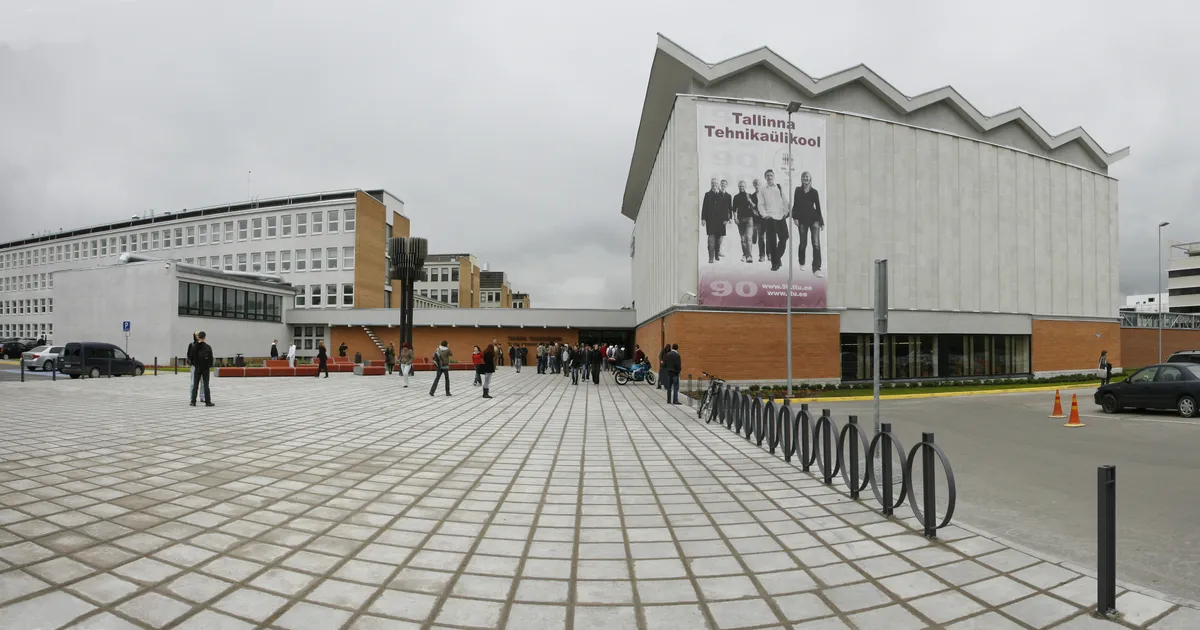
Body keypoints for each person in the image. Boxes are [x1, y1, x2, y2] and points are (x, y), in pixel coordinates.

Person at [791, 171, 824, 278]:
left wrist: (821, 222)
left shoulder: (814, 192)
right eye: (804, 177)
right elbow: (795, 204)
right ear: (801, 179)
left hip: (814, 219)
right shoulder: (798, 190)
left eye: (807, 177)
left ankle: (817, 268)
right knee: (803, 243)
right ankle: (802, 262)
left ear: (810, 179)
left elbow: (818, 207)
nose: (805, 178)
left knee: (816, 244)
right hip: (802, 220)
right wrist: (794, 217)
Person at [757, 169, 789, 271]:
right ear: (765, 177)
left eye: (771, 175)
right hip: (770, 217)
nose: (769, 177)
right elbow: (760, 204)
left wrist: (785, 212)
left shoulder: (779, 187)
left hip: (780, 216)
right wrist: (765, 215)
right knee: (772, 241)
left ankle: (777, 258)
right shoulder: (762, 189)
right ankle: (775, 264)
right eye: (767, 176)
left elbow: (785, 201)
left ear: (774, 176)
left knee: (784, 237)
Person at [701, 177, 731, 264]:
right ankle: (711, 257)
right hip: (710, 220)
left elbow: (725, 208)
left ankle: (717, 254)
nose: (714, 184)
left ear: (718, 185)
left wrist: (726, 219)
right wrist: (703, 218)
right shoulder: (707, 194)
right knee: (711, 239)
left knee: (718, 239)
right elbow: (704, 208)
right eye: (712, 183)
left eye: (715, 183)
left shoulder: (721, 195)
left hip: (721, 221)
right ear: (711, 184)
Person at [733, 180, 757, 263]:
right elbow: (734, 209)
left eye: (743, 186)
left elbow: (754, 207)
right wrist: (735, 218)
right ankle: (745, 254)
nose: (741, 187)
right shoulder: (735, 197)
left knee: (748, 237)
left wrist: (750, 200)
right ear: (738, 187)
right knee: (743, 238)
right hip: (740, 219)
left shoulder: (749, 195)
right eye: (740, 186)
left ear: (745, 187)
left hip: (749, 219)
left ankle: (749, 256)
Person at [190, 331, 214, 407]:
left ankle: (193, 402)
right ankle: (208, 402)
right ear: (204, 337)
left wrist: (195, 364)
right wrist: (208, 366)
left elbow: (191, 357)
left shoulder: (194, 347)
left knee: (195, 385)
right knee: (206, 385)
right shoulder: (208, 347)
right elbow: (211, 359)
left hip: (197, 368)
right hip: (205, 369)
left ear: (198, 337)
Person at [751, 178, 767, 262]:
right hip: (758, 220)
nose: (757, 186)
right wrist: (754, 211)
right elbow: (752, 208)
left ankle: (770, 254)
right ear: (754, 186)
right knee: (761, 238)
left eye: (758, 184)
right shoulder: (752, 196)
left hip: (766, 218)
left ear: (761, 185)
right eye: (755, 184)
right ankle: (762, 255)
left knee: (769, 237)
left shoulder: (765, 194)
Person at [186, 332, 205, 403]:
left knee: (203, 382)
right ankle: (192, 397)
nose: (197, 336)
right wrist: (191, 362)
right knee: (193, 383)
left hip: (202, 366)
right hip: (194, 365)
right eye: (196, 335)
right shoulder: (192, 345)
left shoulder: (203, 344)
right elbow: (189, 355)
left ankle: (202, 397)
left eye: (198, 335)